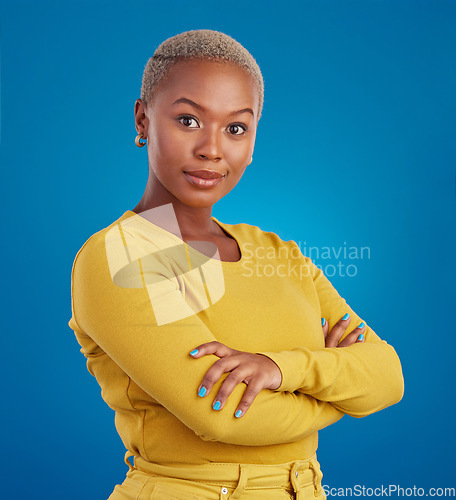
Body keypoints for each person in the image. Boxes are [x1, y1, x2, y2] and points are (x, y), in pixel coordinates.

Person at [68, 29, 404, 499]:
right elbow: (222, 415)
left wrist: (280, 370)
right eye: (188, 120)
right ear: (143, 119)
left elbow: (388, 374)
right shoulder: (124, 254)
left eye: (236, 128)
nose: (212, 148)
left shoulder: (279, 253)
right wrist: (338, 394)